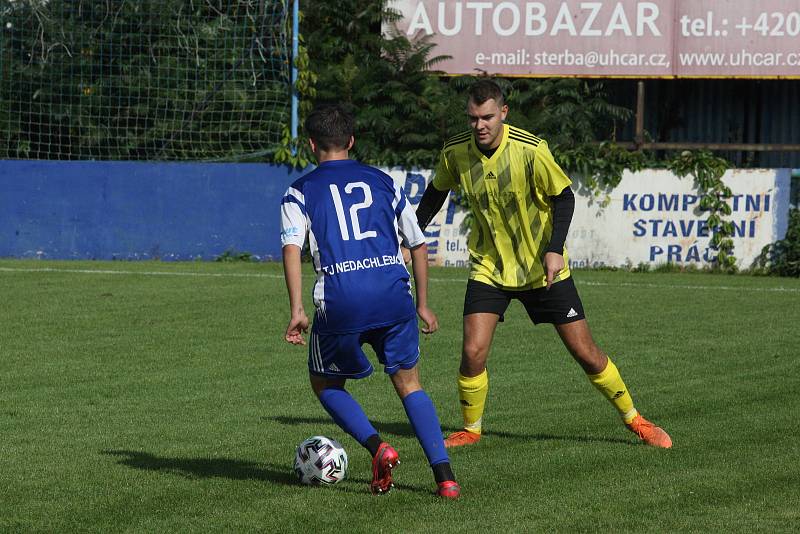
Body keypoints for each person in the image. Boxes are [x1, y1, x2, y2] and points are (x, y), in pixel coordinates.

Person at [414, 79, 672, 449]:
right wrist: (412, 236)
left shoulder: (531, 150)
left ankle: (636, 420)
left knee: (586, 352)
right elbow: (436, 192)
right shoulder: (455, 151)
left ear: (503, 112)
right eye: (473, 118)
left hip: (542, 269)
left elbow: (564, 197)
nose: (480, 126)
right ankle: (471, 429)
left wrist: (555, 248)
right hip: (490, 267)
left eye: (487, 117)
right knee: (472, 351)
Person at [280, 103, 460, 498]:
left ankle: (379, 447)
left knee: (325, 383)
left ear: (312, 145)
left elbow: (292, 249)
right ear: (351, 141)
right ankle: (445, 478)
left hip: (342, 298)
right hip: (393, 294)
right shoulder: (383, 181)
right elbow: (417, 242)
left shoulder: (300, 191)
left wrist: (296, 310)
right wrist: (423, 304)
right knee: (410, 384)